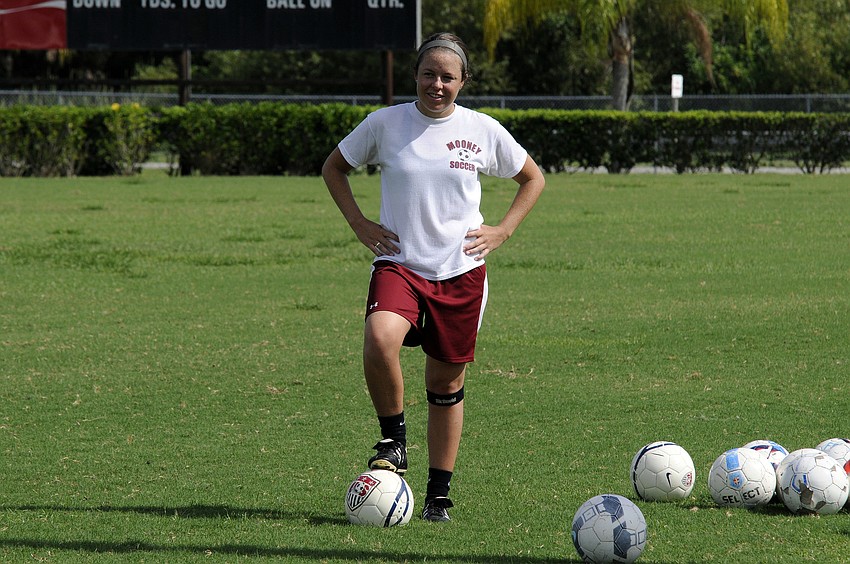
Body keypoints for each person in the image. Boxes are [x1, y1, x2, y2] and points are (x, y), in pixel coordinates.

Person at [322, 32, 545, 522]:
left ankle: (437, 498)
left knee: (445, 383)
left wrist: (503, 229)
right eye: (429, 74)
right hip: (399, 263)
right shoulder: (385, 123)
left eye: (448, 76)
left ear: (463, 82)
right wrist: (360, 224)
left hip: (460, 273)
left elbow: (533, 177)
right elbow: (333, 167)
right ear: (415, 76)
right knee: (380, 337)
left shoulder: (481, 129)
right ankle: (393, 440)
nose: (437, 84)